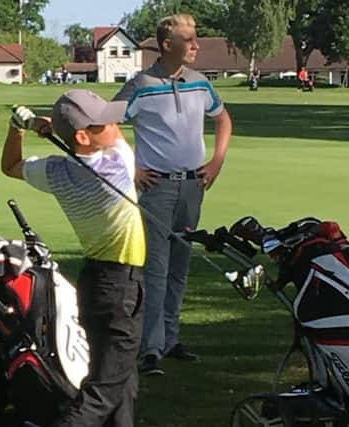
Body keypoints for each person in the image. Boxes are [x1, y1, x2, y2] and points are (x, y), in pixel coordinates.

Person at [1, 89, 146, 427]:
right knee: (103, 392)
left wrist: (19, 126)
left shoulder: (57, 172)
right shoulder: (117, 165)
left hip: (95, 283)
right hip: (121, 288)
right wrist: (50, 127)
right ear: (83, 135)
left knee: (121, 381)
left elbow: (10, 166)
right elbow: (117, 139)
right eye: (105, 122)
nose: (115, 124)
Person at [113, 14, 233, 376]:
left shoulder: (199, 83)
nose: (196, 45)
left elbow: (223, 119)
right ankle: (150, 349)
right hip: (157, 188)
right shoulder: (141, 84)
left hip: (193, 185)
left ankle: (171, 339)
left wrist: (216, 162)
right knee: (156, 269)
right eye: (190, 39)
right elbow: (105, 124)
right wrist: (131, 168)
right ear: (168, 45)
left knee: (179, 267)